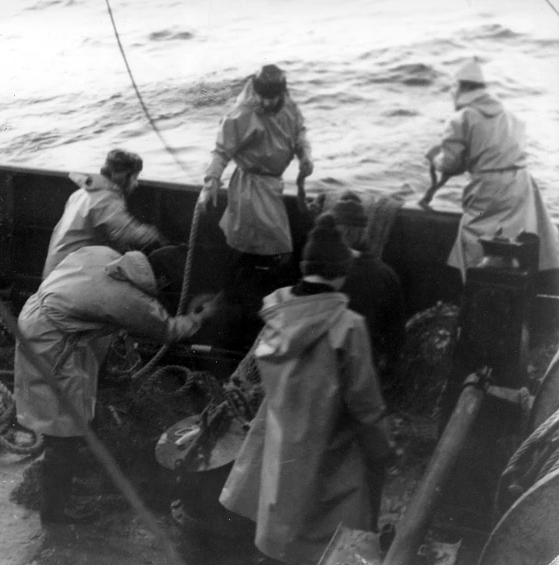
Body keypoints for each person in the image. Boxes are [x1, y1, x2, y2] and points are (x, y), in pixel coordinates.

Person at [218, 214, 393, 565]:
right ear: (341, 272)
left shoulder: (276, 318)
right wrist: (382, 447)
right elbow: (365, 404)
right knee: (331, 531)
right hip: (331, 450)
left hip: (281, 443)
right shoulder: (347, 327)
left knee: (279, 523)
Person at [14, 245, 219, 524]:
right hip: (51, 338)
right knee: (64, 428)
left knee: (71, 416)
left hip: (42, 317)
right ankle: (54, 511)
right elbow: (167, 330)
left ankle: (63, 479)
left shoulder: (104, 254)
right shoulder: (131, 300)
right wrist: (198, 316)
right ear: (161, 282)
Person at [420, 58, 559, 281]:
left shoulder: (462, 118)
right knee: (515, 243)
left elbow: (450, 164)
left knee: (475, 241)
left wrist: (435, 158)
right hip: (520, 186)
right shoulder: (510, 116)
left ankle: (478, 296)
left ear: (462, 87)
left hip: (488, 190)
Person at [197, 64, 314, 328]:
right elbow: (220, 151)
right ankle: (244, 307)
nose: (267, 102)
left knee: (269, 249)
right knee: (269, 249)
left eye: (272, 97)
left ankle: (257, 303)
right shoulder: (241, 113)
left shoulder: (289, 107)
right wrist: (210, 183)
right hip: (250, 186)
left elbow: (300, 133)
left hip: (273, 186)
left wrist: (305, 154)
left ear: (282, 93)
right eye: (263, 96)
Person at [41, 149, 166, 278]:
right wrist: (154, 235)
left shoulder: (81, 194)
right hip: (68, 275)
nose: (136, 184)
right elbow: (126, 232)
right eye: (134, 178)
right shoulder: (105, 199)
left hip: (56, 270)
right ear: (119, 176)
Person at [332, 191, 406, 384]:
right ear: (362, 231)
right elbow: (395, 339)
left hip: (319, 373)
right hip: (363, 377)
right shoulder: (386, 274)